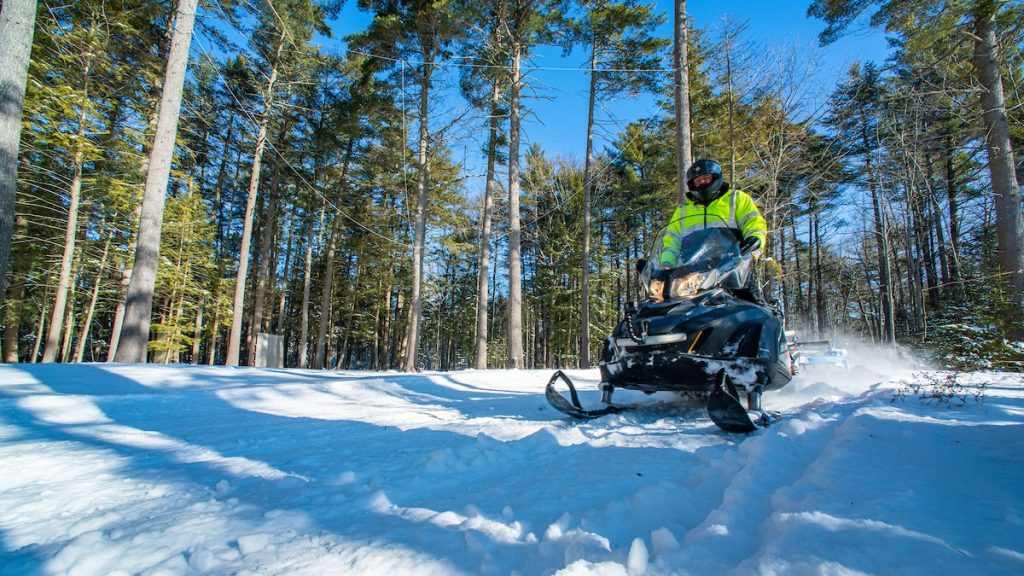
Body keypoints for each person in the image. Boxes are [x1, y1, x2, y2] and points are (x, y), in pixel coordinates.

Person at [650, 158, 768, 302]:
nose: (702, 182)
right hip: (693, 274)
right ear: (692, 184)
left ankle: (767, 319)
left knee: (752, 303)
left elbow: (754, 222)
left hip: (733, 266)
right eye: (698, 180)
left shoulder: (736, 198)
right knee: (674, 308)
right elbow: (671, 240)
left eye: (706, 178)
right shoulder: (683, 211)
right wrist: (666, 265)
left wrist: (755, 239)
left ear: (716, 177)